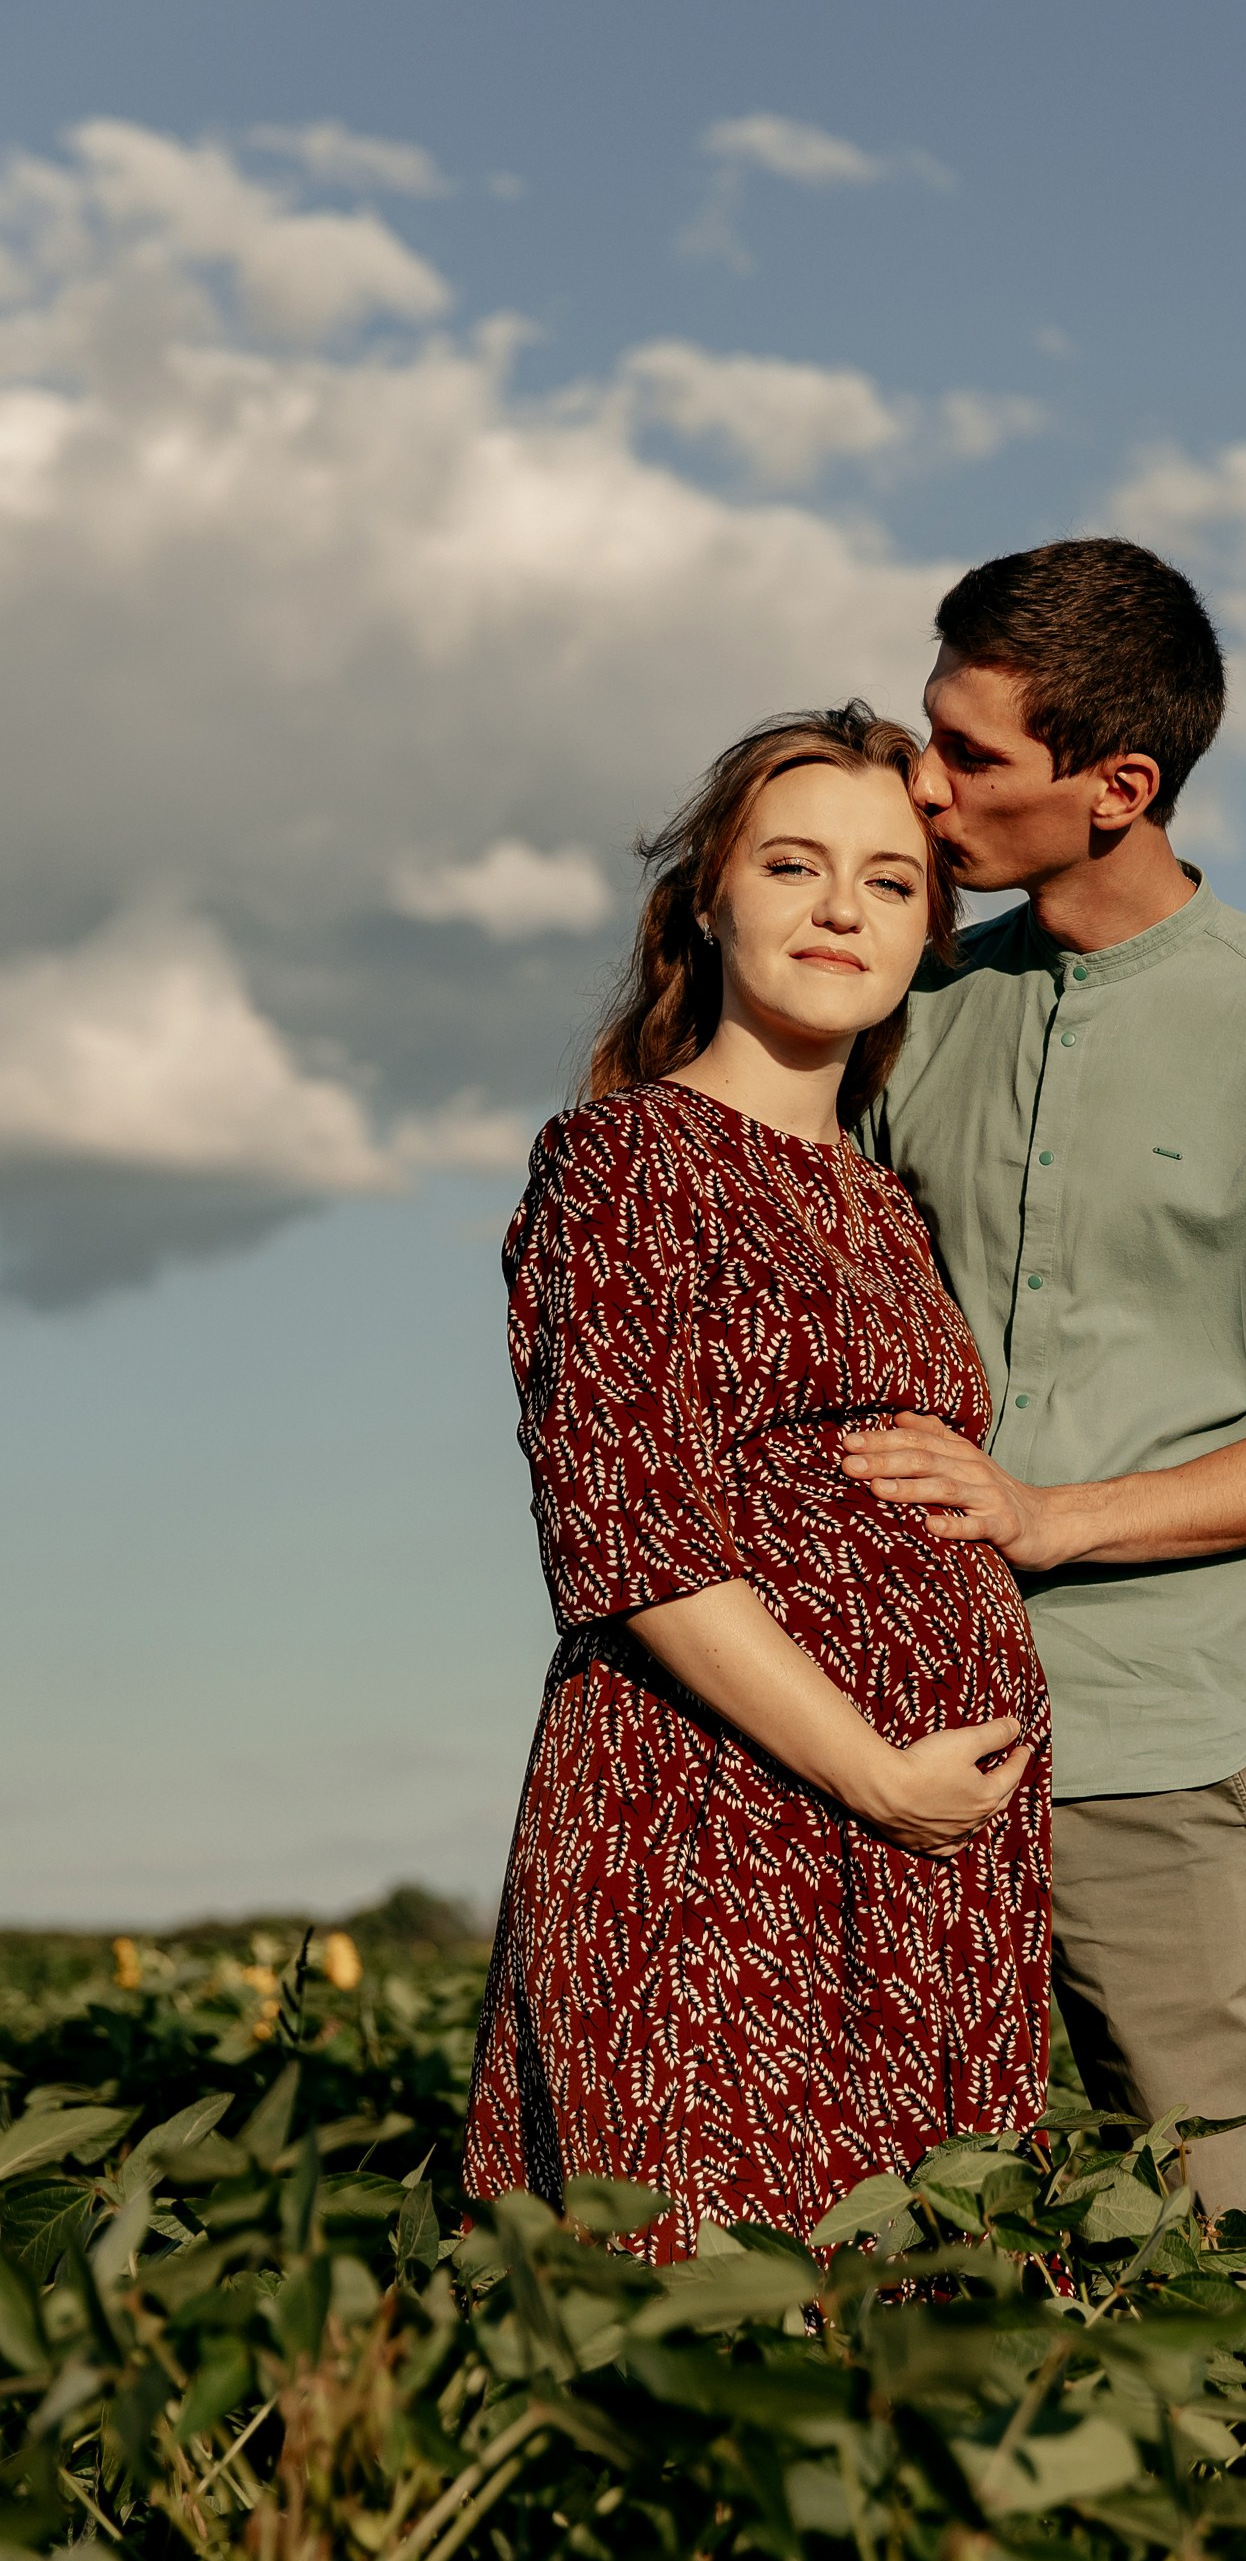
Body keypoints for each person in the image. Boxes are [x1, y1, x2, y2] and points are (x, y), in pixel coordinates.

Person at [848, 540, 1246, 2230]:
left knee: (1241, 2227)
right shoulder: (912, 1012)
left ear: (1117, 788)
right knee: (903, 2233)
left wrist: (1048, 1519)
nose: (923, 785)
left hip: (1152, 1746)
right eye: (926, 733)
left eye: (969, 755)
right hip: (883, 1726)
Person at [467, 707, 1049, 2263]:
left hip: (927, 1859)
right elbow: (627, 1533)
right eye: (791, 865)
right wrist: (872, 1770)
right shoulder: (625, 1163)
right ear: (704, 904)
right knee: (707, 2293)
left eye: (890, 880)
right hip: (713, 1820)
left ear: (931, 931)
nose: (840, 908)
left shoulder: (886, 1200)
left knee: (914, 2320)